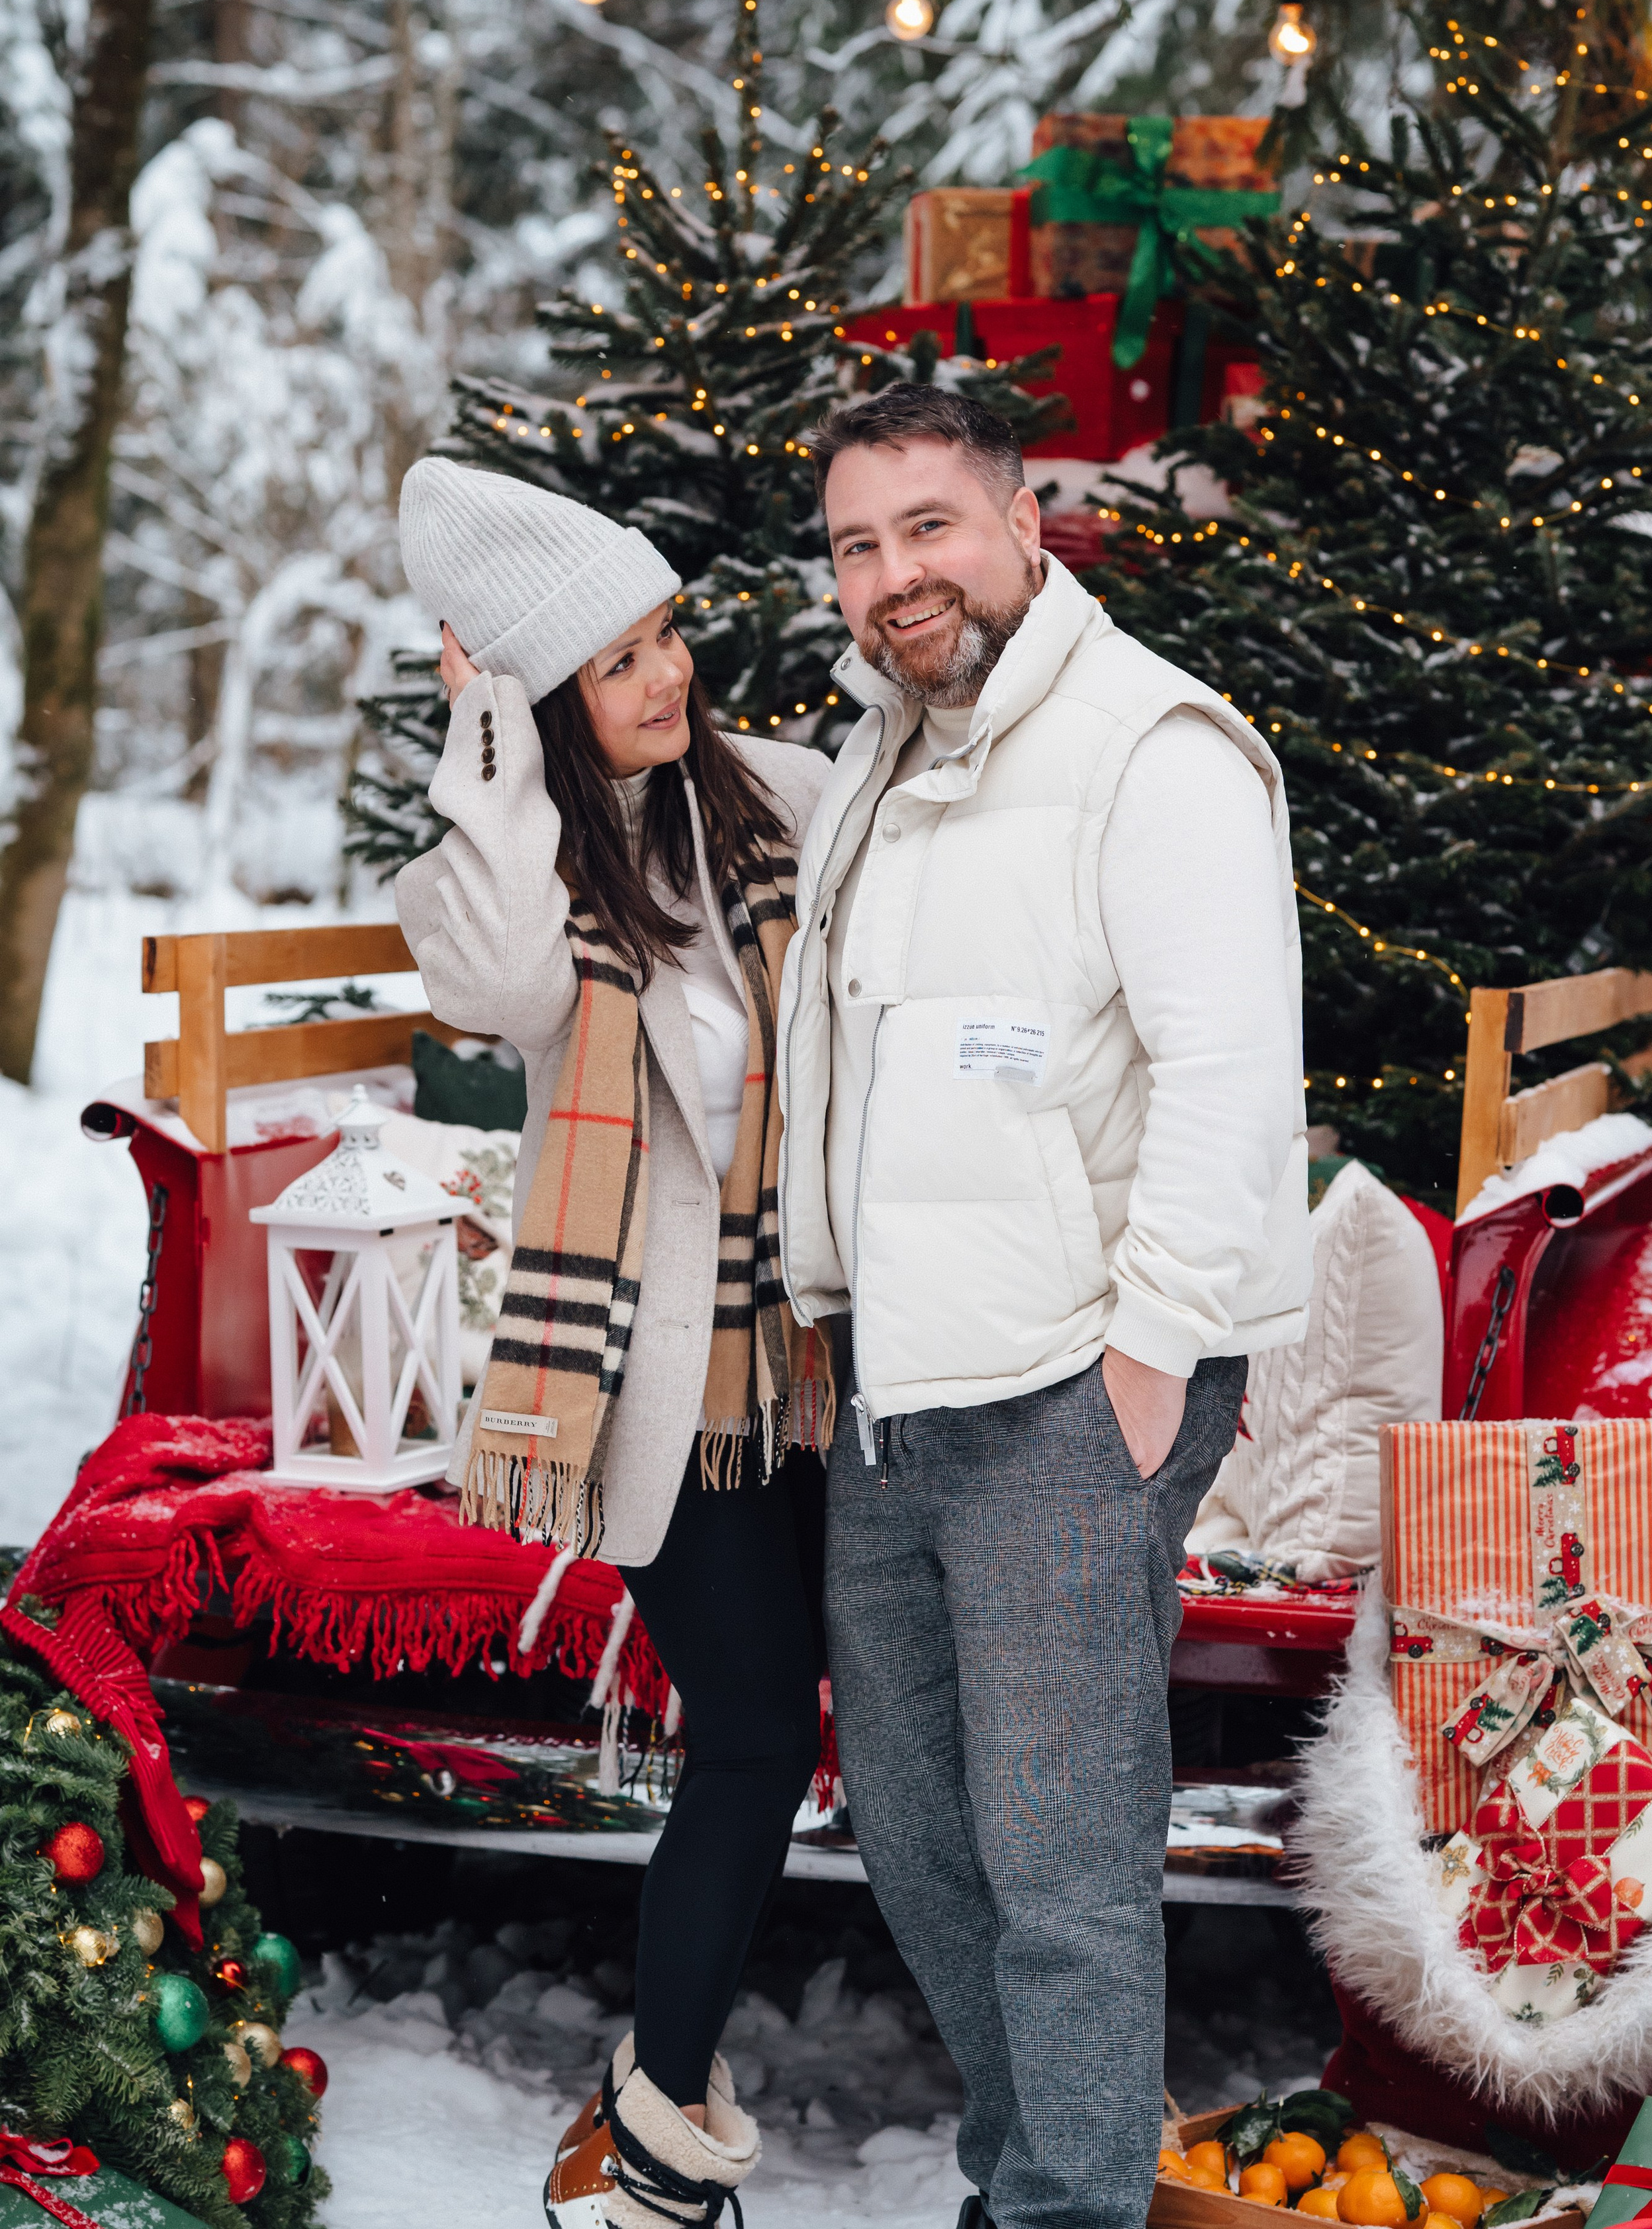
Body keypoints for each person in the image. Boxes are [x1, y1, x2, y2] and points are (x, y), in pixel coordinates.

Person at [774, 385, 1311, 2229]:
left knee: (1061, 1864)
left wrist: (1147, 1365)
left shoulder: (1150, 748)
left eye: (927, 526)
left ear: (1022, 523)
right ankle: (1040, 2182)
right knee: (922, 1845)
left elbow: (1232, 1077)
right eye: (856, 544)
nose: (892, 575)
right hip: (899, 1389)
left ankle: (1064, 2206)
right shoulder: (881, 761)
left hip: (1072, 1389)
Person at [392, 455, 833, 2229]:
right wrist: (494, 760)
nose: (668, 677)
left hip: (816, 1357)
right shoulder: (515, 876)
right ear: (542, 699)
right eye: (618, 661)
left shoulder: (781, 803)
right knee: (747, 1737)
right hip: (665, 1384)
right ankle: (658, 2124)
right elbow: (492, 988)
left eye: (668, 634)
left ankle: (662, 2096)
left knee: (815, 1718)